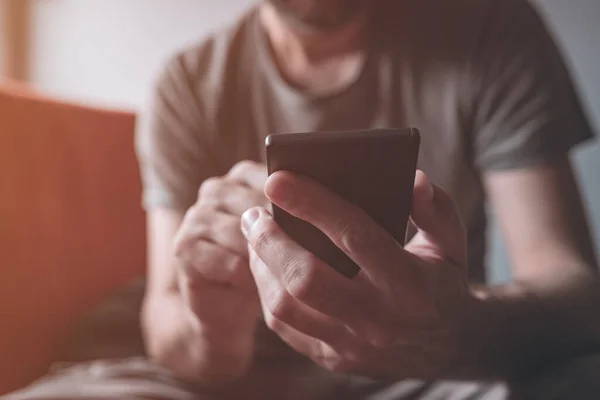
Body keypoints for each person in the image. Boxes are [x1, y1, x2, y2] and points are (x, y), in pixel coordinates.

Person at [6, 0, 600, 399]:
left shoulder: (492, 31)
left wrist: (456, 329)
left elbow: (574, 291)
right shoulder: (187, 83)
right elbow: (166, 327)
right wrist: (213, 328)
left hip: (435, 378)